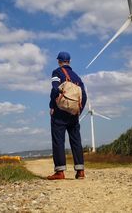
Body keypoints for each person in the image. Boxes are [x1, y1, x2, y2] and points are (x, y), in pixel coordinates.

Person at [48, 51, 87, 180]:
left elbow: (54, 88)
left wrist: (52, 106)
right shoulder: (77, 77)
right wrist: (78, 111)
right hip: (74, 114)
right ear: (69, 61)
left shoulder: (57, 72)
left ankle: (60, 171)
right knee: (76, 140)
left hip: (60, 113)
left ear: (59, 61)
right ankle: (80, 171)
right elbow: (84, 96)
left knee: (58, 140)